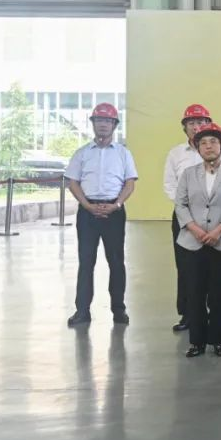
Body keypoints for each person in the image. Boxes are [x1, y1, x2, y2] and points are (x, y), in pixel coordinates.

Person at [65, 103, 138, 328]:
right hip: (87, 214)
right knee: (86, 262)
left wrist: (117, 204)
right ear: (93, 124)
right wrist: (87, 205)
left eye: (108, 121)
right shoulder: (82, 153)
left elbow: (129, 183)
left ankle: (119, 310)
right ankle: (82, 311)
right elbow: (73, 182)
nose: (103, 124)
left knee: (116, 262)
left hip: (114, 213)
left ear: (114, 125)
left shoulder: (123, 153)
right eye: (99, 120)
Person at [174, 123, 221, 358]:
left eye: (213, 141)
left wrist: (219, 230)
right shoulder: (188, 174)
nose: (208, 146)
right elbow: (180, 204)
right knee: (195, 292)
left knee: (220, 293)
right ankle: (197, 341)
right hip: (192, 242)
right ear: (197, 148)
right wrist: (194, 229)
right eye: (203, 143)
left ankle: (219, 340)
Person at [163, 103, 221, 333]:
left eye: (201, 122)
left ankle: (212, 314)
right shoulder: (176, 153)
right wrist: (186, 210)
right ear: (185, 127)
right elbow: (169, 184)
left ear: (209, 124)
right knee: (186, 266)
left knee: (214, 266)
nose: (196, 126)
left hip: (214, 217)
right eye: (191, 123)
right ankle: (188, 314)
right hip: (184, 217)